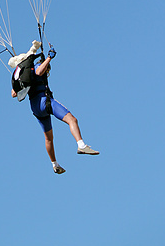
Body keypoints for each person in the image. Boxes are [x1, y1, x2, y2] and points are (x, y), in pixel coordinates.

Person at [9, 40, 99, 174]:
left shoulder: (24, 76)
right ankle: (81, 145)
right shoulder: (36, 68)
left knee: (48, 138)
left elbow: (13, 94)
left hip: (35, 108)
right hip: (44, 101)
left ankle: (54, 164)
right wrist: (50, 57)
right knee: (72, 120)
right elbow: (39, 72)